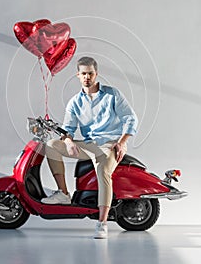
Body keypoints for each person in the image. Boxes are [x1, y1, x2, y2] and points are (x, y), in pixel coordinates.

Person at [42, 57, 138, 239]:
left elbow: (130, 118)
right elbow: (68, 129)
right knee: (51, 145)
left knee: (103, 170)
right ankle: (63, 193)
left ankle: (102, 224)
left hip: (109, 144)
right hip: (88, 145)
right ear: (78, 75)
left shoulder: (112, 95)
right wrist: (69, 141)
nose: (87, 77)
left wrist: (122, 142)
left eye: (90, 73)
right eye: (83, 73)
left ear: (96, 74)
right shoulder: (74, 103)